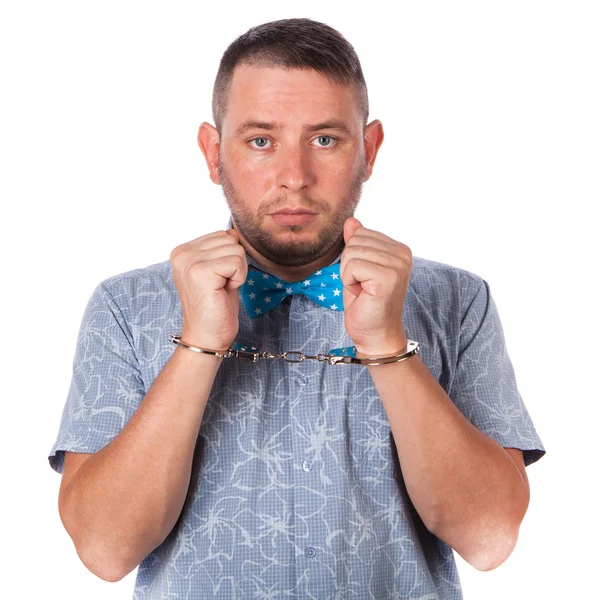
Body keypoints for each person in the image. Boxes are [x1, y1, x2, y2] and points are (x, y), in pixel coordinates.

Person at [48, 17, 546, 600]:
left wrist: (389, 347)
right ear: (213, 153)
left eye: (325, 139)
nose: (294, 178)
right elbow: (105, 551)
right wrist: (199, 344)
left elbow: (488, 540)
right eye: (261, 140)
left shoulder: (456, 301)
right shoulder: (125, 308)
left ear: (370, 149)